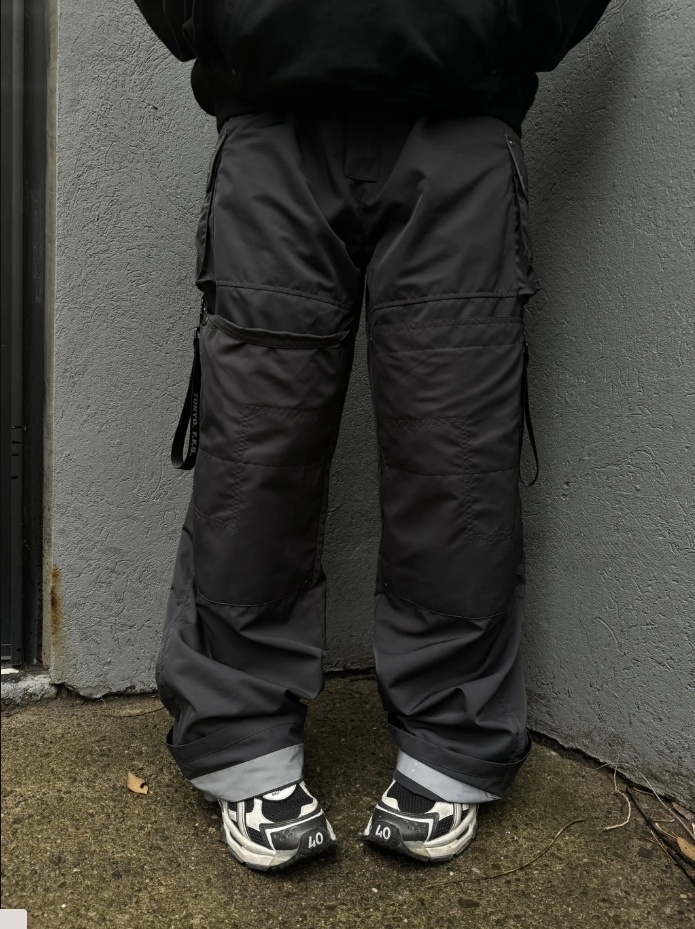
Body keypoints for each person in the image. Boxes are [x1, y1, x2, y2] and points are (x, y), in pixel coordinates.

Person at [134, 0, 611, 871]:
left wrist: (507, 18)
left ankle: (452, 737)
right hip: (273, 124)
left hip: (459, 128)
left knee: (456, 452)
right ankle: (241, 732)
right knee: (255, 452)